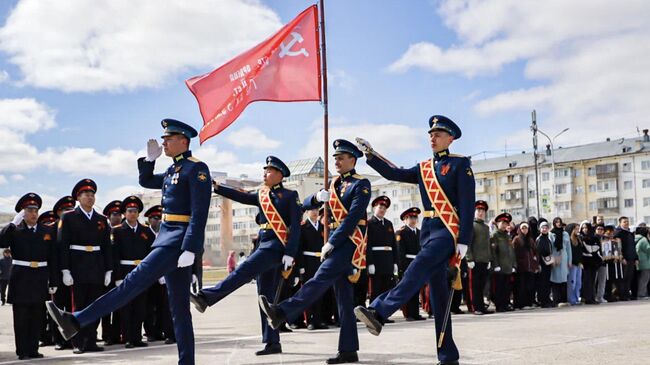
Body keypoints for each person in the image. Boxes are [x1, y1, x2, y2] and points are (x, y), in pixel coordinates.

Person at [47, 118, 211, 365]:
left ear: (183, 141)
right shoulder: (172, 170)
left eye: (168, 139)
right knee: (179, 310)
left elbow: (200, 212)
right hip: (169, 241)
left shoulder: (196, 169)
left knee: (131, 284)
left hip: (176, 242)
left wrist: (191, 247)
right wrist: (150, 160)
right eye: (164, 139)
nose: (164, 142)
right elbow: (146, 181)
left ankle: (76, 320)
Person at [353, 115, 475, 365]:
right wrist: (371, 155)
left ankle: (379, 311)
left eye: (438, 134)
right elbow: (394, 173)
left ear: (450, 138)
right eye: (430, 134)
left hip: (447, 232)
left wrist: (463, 240)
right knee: (440, 299)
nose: (432, 137)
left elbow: (467, 204)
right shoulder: (423, 168)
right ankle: (448, 356)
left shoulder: (460, 165)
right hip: (428, 231)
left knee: (416, 269)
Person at [259, 139, 371, 364]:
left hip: (349, 242)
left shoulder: (362, 184)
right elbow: (306, 205)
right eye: (335, 158)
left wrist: (332, 241)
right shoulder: (334, 184)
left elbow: (353, 218)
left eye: (341, 158)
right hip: (335, 241)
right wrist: (317, 198)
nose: (336, 161)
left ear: (353, 159)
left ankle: (282, 311)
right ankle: (349, 350)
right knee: (344, 300)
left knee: (319, 279)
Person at [190, 156, 300, 356]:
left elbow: (295, 228)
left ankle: (206, 298)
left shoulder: (291, 196)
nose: (264, 174)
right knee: (265, 298)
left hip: (275, 247)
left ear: (279, 174)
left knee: (242, 271)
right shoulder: (261, 194)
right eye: (264, 170)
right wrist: (218, 187)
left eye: (268, 171)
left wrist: (290, 253)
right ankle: (272, 342)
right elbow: (241, 196)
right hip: (263, 244)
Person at [57, 179, 113, 354]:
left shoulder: (101, 219)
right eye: (86, 195)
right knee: (78, 306)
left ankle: (90, 340)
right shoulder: (69, 217)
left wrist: (108, 270)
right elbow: (62, 245)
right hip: (77, 266)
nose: (90, 197)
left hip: (96, 266)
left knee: (94, 305)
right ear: (78, 198)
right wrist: (65, 270)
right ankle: (78, 342)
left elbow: (106, 247)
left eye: (92, 194)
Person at [0, 193, 58, 360]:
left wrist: (53, 280)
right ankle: (23, 350)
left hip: (40, 277)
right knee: (22, 317)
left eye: (35, 210)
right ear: (22, 213)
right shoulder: (15, 231)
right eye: (29, 210)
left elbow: (52, 257)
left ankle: (33, 349)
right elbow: (2, 241)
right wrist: (13, 223)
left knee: (37, 316)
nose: (33, 213)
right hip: (21, 278)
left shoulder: (46, 231)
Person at [112, 195, 155, 348]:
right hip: (124, 271)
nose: (132, 213)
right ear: (124, 213)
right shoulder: (117, 231)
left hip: (141, 271)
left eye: (135, 211)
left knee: (140, 306)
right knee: (126, 307)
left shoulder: (146, 231)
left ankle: (137, 337)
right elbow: (114, 256)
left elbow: (152, 253)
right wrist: (117, 276)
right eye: (129, 211)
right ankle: (128, 338)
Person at [298, 208, 330, 330]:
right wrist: (300, 266)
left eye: (317, 209)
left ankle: (318, 319)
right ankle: (309, 320)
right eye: (312, 209)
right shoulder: (303, 227)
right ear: (306, 212)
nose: (315, 212)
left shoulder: (323, 228)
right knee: (308, 291)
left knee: (319, 291)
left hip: (320, 261)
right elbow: (299, 248)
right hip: (308, 262)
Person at [366, 196, 399, 311]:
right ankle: (373, 311)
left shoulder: (389, 224)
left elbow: (393, 245)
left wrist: (395, 262)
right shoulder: (369, 223)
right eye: (380, 207)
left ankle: (383, 312)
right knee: (376, 288)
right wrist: (370, 263)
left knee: (387, 288)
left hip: (388, 260)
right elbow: (368, 244)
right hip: (376, 260)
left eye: (384, 208)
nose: (382, 210)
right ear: (374, 207)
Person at [101, 199, 124, 346]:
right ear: (108, 216)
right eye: (114, 214)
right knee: (105, 307)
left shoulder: (122, 231)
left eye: (119, 214)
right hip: (104, 274)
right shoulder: (104, 230)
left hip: (119, 274)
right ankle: (106, 334)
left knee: (118, 306)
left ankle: (116, 334)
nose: (117, 217)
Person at [396, 207, 426, 321]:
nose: (413, 220)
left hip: (418, 263)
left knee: (416, 289)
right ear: (405, 219)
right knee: (408, 289)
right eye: (410, 217)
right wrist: (402, 268)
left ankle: (415, 313)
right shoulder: (401, 232)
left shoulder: (419, 233)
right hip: (407, 263)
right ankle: (408, 314)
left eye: (415, 217)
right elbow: (400, 252)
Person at [467, 200, 493, 315]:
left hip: (484, 260)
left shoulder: (486, 228)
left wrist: (489, 259)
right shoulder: (471, 225)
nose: (480, 213)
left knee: (482, 286)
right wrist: (469, 258)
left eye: (482, 211)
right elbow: (468, 243)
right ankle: (475, 307)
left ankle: (481, 307)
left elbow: (487, 245)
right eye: (478, 210)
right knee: (474, 286)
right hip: (475, 260)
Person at [490, 213, 515, 312]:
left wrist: (513, 265)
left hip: (507, 266)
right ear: (497, 223)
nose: (504, 225)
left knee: (506, 287)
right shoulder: (494, 235)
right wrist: (496, 265)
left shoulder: (507, 236)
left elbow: (511, 251)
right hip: (499, 266)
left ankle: (505, 304)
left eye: (506, 223)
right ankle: (499, 305)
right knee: (499, 288)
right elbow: (493, 252)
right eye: (502, 223)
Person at [513, 222, 538, 309]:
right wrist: (515, 264)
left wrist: (535, 264)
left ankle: (528, 303)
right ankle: (521, 304)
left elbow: (535, 253)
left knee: (529, 286)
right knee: (521, 286)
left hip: (530, 267)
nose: (524, 230)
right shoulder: (516, 239)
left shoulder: (530, 240)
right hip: (521, 267)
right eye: (523, 228)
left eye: (526, 228)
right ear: (520, 229)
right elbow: (514, 253)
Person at [615, 217, 638, 300]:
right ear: (620, 223)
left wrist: (636, 258)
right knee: (623, 278)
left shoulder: (630, 233)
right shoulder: (618, 233)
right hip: (624, 259)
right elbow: (618, 247)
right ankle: (622, 295)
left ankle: (627, 294)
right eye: (624, 222)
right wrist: (622, 257)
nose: (626, 223)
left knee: (629, 277)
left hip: (631, 258)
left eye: (627, 222)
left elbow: (633, 247)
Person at [550, 217, 571, 307]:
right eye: (556, 222)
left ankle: (564, 299)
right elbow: (550, 247)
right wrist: (551, 259)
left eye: (559, 222)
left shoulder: (565, 233)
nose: (558, 223)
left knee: (564, 280)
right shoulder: (551, 234)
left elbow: (568, 248)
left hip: (564, 257)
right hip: (555, 257)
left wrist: (569, 260)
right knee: (555, 279)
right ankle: (556, 300)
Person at [580, 221, 601, 305]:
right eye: (583, 228)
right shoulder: (581, 238)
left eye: (586, 228)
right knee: (587, 281)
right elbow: (588, 249)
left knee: (592, 281)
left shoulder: (595, 238)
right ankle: (587, 298)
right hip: (585, 263)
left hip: (594, 263)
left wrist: (592, 250)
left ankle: (592, 297)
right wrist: (591, 250)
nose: (585, 230)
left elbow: (597, 247)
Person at [536, 221, 554, 308]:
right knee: (542, 283)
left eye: (546, 228)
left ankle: (547, 299)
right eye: (543, 228)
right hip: (542, 264)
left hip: (548, 263)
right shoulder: (539, 239)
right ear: (540, 229)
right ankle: (543, 300)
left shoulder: (548, 239)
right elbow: (538, 253)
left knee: (547, 282)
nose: (544, 229)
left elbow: (550, 251)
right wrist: (539, 264)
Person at [567, 223, 583, 305]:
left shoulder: (579, 239)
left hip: (578, 264)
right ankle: (571, 299)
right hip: (572, 264)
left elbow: (580, 252)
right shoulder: (569, 240)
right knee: (572, 283)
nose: (578, 230)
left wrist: (581, 262)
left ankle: (577, 298)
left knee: (578, 283)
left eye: (578, 229)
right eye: (576, 229)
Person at [634, 226, 650, 299]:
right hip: (645, 262)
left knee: (641, 279)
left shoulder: (635, 238)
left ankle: (642, 293)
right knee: (644, 279)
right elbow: (648, 249)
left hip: (639, 262)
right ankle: (641, 294)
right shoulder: (643, 239)